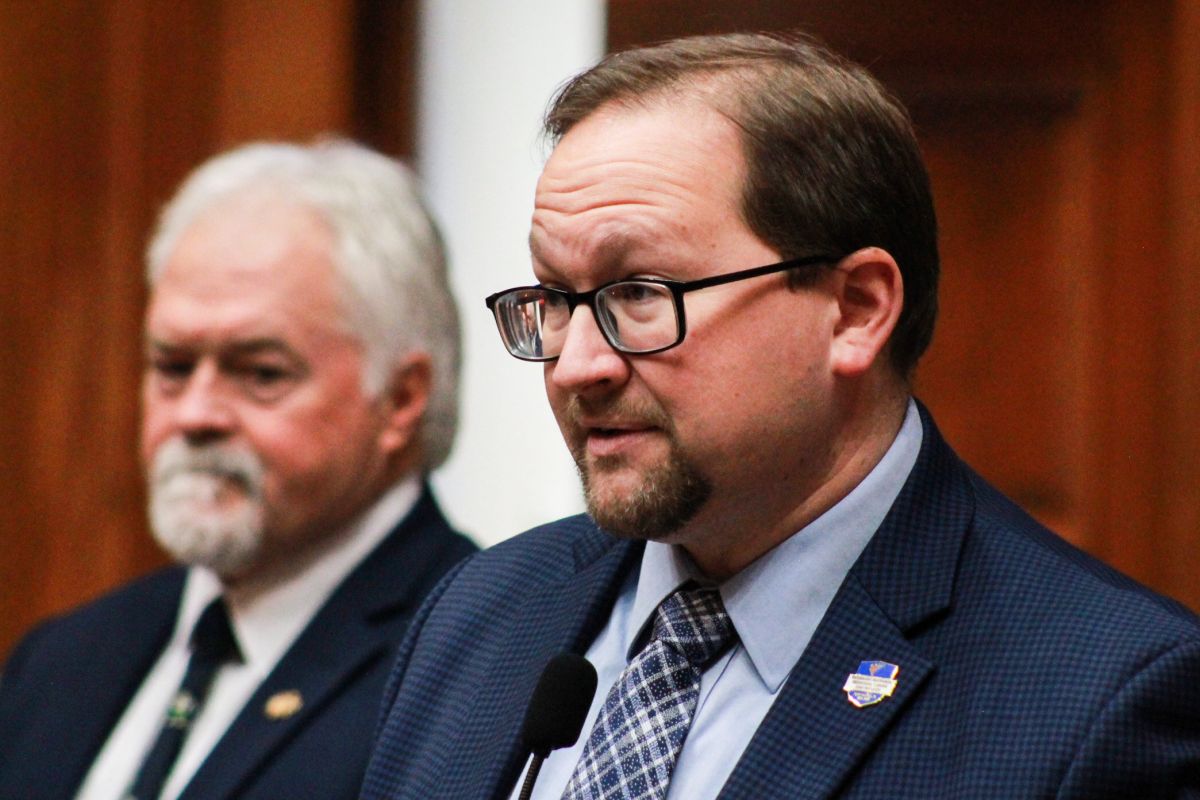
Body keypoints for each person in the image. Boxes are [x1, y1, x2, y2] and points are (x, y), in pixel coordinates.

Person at [361, 31, 1200, 800]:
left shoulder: (1100, 697)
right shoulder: (480, 614)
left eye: (642, 294)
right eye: (555, 299)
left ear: (855, 310)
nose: (577, 365)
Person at [0, 139, 477, 800]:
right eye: (171, 366)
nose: (196, 414)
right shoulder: (61, 659)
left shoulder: (480, 664)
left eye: (260, 373)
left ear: (399, 400)